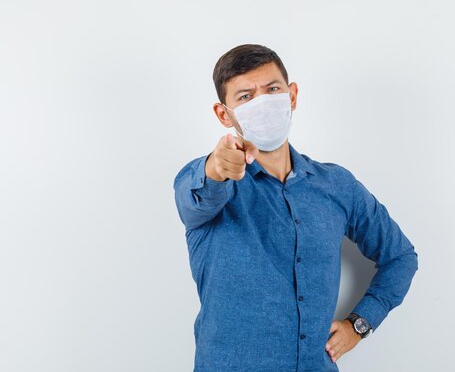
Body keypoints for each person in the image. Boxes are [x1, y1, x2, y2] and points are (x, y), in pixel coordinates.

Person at [173, 44, 419, 372]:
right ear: (224, 114)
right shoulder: (209, 182)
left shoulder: (337, 185)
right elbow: (199, 195)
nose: (262, 102)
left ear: (291, 96)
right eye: (245, 96)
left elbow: (400, 257)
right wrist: (217, 168)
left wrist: (359, 325)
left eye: (272, 89)